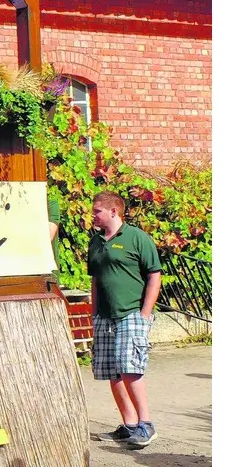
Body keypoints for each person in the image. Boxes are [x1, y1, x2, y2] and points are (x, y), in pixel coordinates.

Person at [88, 190, 163, 449]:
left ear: (113, 211)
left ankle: (146, 424)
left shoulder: (137, 238)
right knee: (113, 371)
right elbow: (96, 280)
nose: (93, 215)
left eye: (97, 211)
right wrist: (93, 313)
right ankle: (130, 425)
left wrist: (145, 313)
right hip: (104, 317)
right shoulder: (96, 242)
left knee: (130, 367)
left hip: (130, 313)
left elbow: (155, 275)